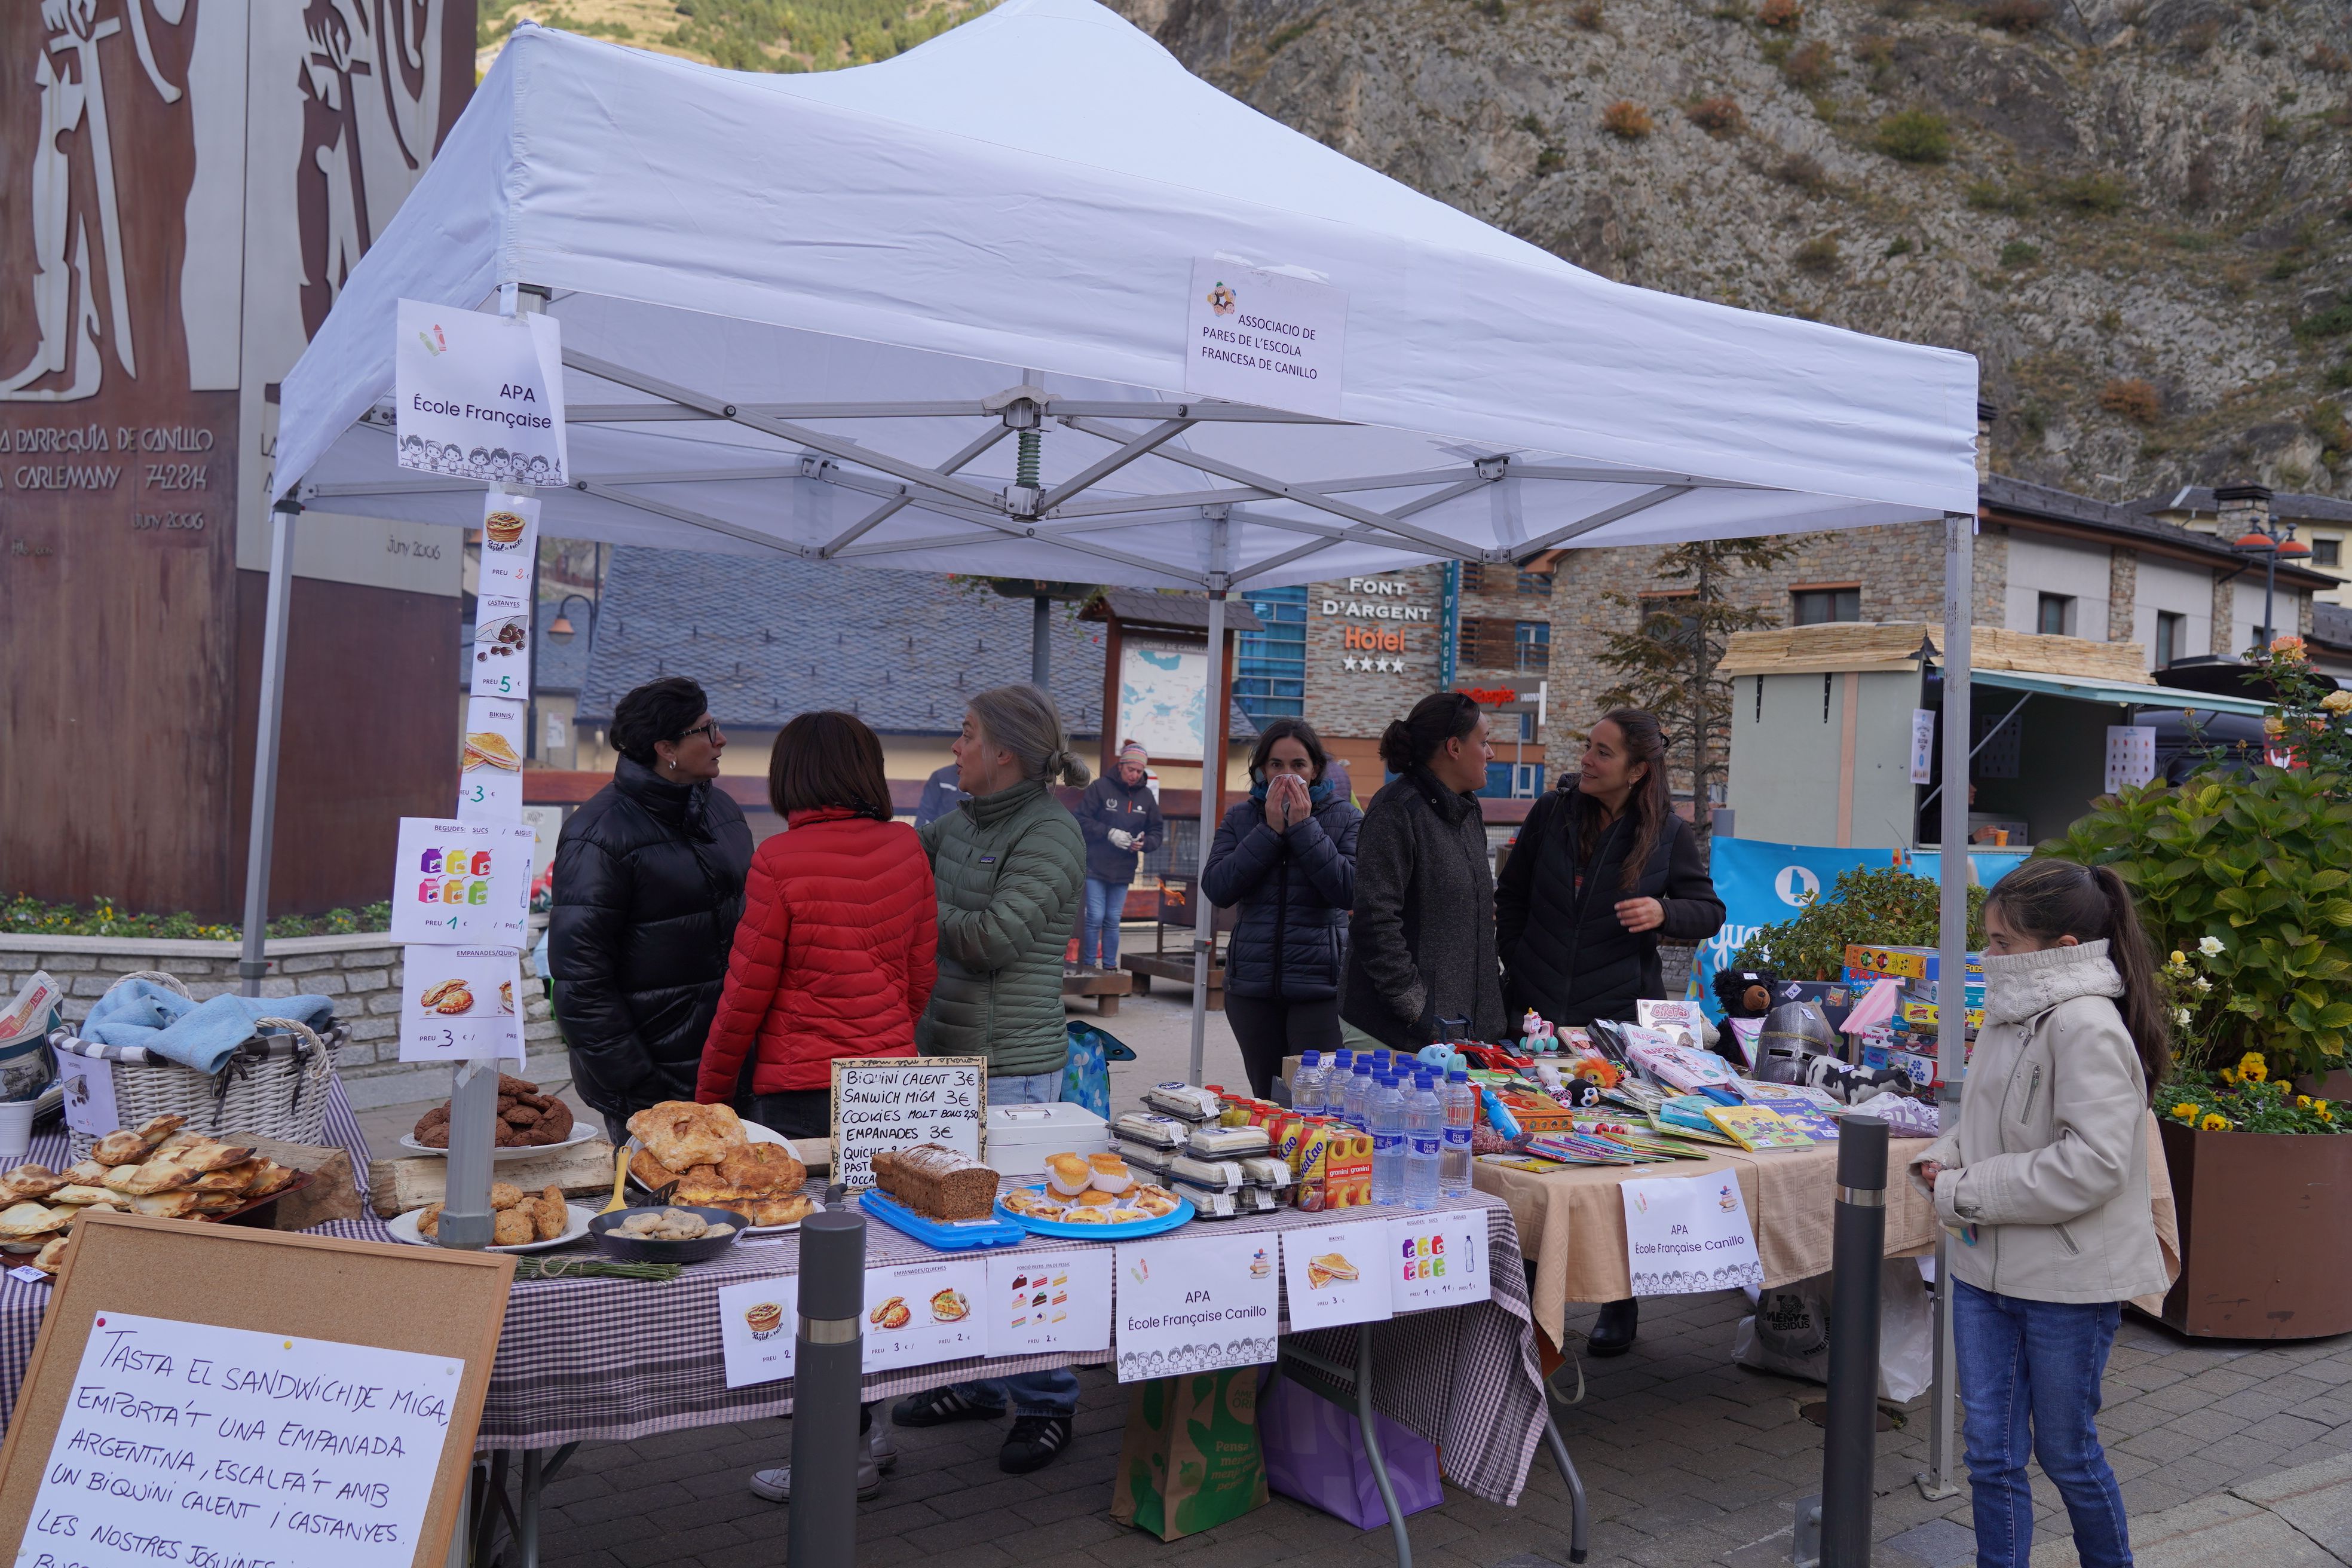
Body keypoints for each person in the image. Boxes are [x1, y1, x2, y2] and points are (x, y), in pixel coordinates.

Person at [693, 711, 935, 1506]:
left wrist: (708, 1101)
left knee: (808, 1273)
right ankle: (872, 1434)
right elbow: (919, 974)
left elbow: (746, 994)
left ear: (793, 777)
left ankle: (834, 1456)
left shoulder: (780, 860)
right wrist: (886, 1038)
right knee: (875, 1261)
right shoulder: (906, 848)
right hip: (888, 1085)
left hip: (798, 1092)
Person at [1909, 859, 2170, 1568]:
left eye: (2001, 943)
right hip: (1985, 1268)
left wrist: (1962, 1188)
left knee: (2067, 1452)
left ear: (2062, 947)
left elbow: (2092, 1164)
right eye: (1988, 939)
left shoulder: (2087, 1025)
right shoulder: (2010, 1009)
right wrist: (1943, 1157)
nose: (1986, 956)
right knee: (1989, 1455)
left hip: (2067, 1284)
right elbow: (1983, 1122)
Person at [892, 684, 1089, 1474]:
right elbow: (897, 864)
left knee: (1014, 1246)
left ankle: (1048, 1402)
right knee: (952, 1238)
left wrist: (911, 907)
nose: (954, 746)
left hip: (1012, 1069)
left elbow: (989, 939)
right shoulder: (963, 821)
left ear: (1006, 752)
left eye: (966, 734)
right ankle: (979, 1381)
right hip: (944, 1058)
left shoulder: (1051, 834)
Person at [1495, 707, 1726, 1356]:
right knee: (1533, 1152)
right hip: (1535, 1016)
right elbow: (1509, 895)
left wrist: (1663, 910)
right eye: (1588, 747)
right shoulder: (1551, 814)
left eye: (1602, 751)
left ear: (1637, 767)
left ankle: (1620, 1300)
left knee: (1616, 1165)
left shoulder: (1668, 834)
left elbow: (1709, 910)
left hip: (1615, 1026)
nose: (1587, 759)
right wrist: (1520, 953)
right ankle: (1532, 1290)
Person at [549, 677, 751, 1144]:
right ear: (666, 748)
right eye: (706, 730)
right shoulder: (598, 835)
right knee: (659, 1215)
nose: (720, 740)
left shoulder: (722, 811)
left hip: (726, 1068)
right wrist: (641, 1088)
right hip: (649, 1084)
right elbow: (581, 983)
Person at [1202, 718, 1362, 1097]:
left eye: (1298, 765)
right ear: (1261, 768)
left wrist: (1304, 828)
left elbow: (1351, 890)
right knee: (1268, 1098)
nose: (1287, 775)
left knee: (1312, 1100)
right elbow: (1218, 887)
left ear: (1316, 769)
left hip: (1320, 988)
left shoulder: (1346, 817)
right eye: (1276, 765)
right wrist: (1269, 832)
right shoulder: (1241, 818)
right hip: (1252, 989)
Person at [1340, 691, 1506, 1051]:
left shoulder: (1467, 810)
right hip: (1392, 1033)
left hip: (1458, 1032)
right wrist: (1415, 1007)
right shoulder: (1395, 811)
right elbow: (1374, 921)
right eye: (1485, 741)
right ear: (1454, 747)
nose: (1491, 753)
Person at [1074, 740, 1163, 969]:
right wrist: (1109, 832)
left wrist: (1144, 843)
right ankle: (1087, 967)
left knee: (1113, 920)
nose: (1134, 775)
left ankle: (1110, 967)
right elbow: (1081, 820)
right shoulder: (1100, 787)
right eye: (1130, 769)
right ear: (1121, 766)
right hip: (1095, 865)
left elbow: (1157, 831)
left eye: (1139, 771)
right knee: (1094, 918)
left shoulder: (1146, 797)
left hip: (1124, 868)